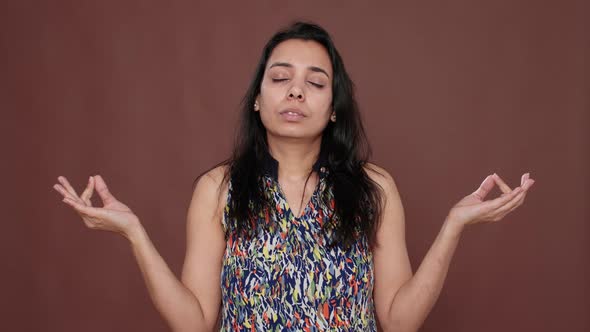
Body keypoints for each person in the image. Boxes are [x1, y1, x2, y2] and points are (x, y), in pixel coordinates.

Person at [53, 21, 535, 332]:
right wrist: (135, 233)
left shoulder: (375, 188)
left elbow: (400, 320)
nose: (297, 92)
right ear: (259, 99)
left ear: (331, 110)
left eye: (316, 83)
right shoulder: (218, 189)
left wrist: (453, 226)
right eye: (280, 78)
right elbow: (195, 321)